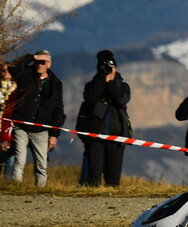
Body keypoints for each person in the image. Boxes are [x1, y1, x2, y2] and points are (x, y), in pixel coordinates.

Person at [9, 50, 64, 187]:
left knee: (41, 164)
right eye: (38, 62)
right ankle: (15, 190)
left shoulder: (55, 83)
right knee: (19, 160)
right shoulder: (26, 74)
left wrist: (54, 135)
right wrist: (32, 57)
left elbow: (58, 110)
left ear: (49, 64)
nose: (39, 64)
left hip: (41, 129)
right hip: (21, 126)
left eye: (43, 62)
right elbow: (12, 68)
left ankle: (41, 191)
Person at [76, 50, 131, 187]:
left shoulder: (123, 86)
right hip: (96, 136)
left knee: (113, 177)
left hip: (117, 136)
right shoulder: (92, 85)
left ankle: (112, 200)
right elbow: (90, 98)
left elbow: (121, 100)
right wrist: (103, 80)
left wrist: (112, 82)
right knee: (94, 176)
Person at [0, 62, 16, 178]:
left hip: (11, 126)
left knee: (10, 156)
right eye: (3, 70)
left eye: (8, 70)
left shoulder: (17, 88)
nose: (6, 73)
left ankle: (7, 182)